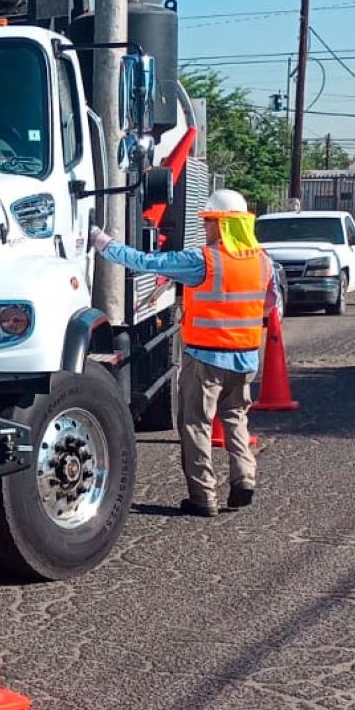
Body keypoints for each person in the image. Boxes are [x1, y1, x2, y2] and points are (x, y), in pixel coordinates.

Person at [88, 189, 283, 517]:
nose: (205, 227)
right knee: (236, 418)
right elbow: (270, 303)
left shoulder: (203, 260)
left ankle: (203, 496)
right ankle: (244, 478)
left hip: (206, 357)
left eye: (208, 222)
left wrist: (101, 241)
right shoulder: (264, 262)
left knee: (196, 424)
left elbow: (145, 261)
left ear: (220, 226)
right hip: (246, 356)